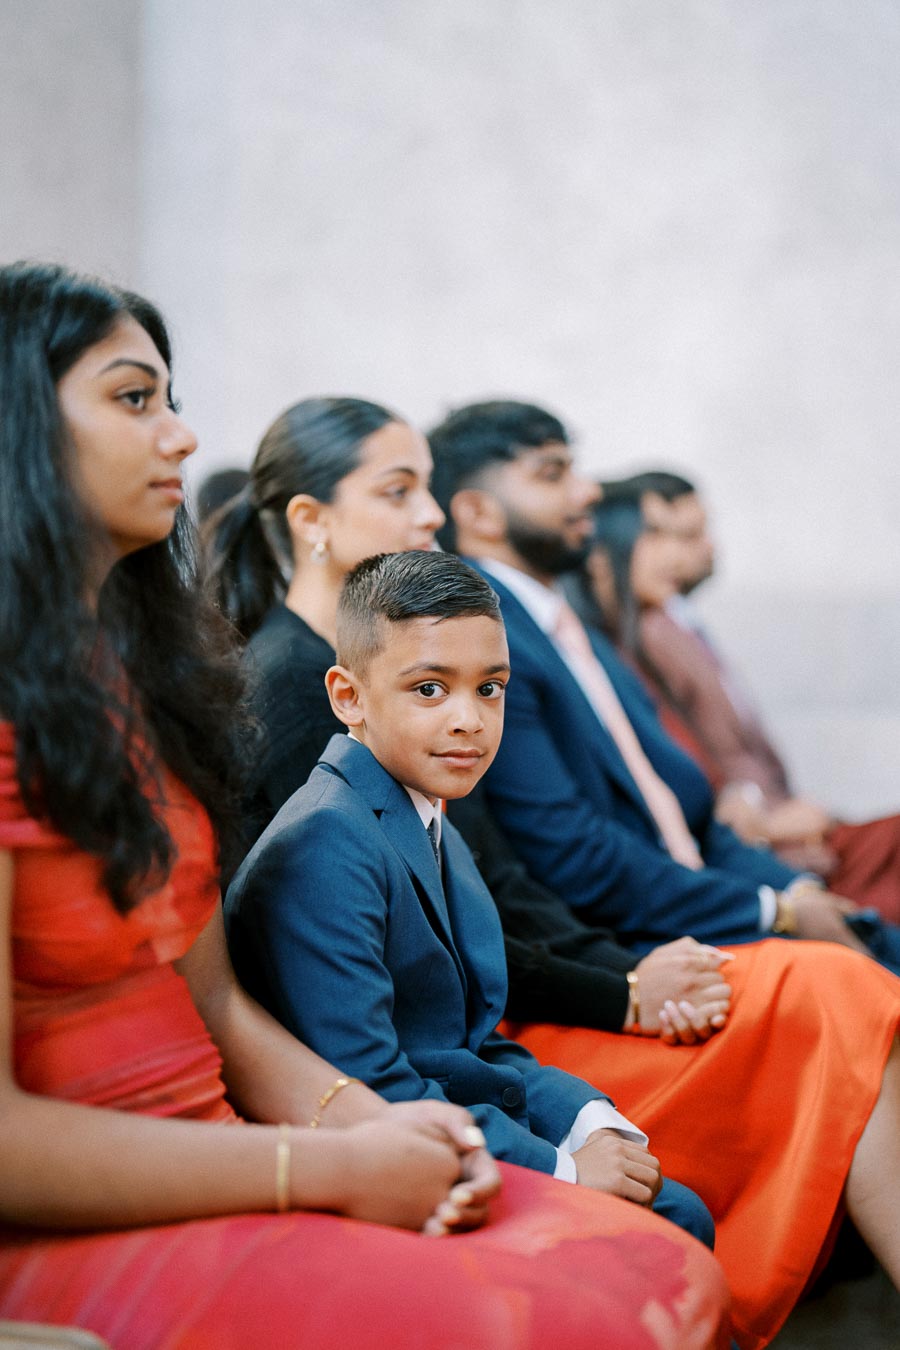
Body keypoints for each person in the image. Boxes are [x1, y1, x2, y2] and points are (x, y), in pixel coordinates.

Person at [0, 263, 731, 1350]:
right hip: (94, 1202)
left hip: (244, 1132)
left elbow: (225, 1015)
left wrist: (387, 1134)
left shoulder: (144, 692)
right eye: (132, 398)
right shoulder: (304, 734)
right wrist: (323, 1164)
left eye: (174, 398)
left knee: (652, 1252)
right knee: (569, 1309)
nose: (185, 439)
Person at [427, 397, 900, 1340]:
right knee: (850, 985)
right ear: (477, 510)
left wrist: (782, 890)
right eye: (553, 472)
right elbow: (574, 852)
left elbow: (685, 803)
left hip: (686, 895)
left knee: (863, 941)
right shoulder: (488, 634)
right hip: (619, 943)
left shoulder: (570, 623)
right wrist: (764, 908)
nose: (588, 492)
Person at [203, 394, 735, 1042]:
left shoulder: (402, 659)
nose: (432, 514)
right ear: (311, 520)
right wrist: (621, 992)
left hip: (516, 993)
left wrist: (627, 971)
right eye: (398, 492)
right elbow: (419, 937)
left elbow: (491, 882)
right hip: (451, 1038)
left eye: (427, 488)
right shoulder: (293, 684)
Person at [224, 550, 715, 1245]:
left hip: (448, 1120)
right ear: (348, 696)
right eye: (429, 689)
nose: (469, 719)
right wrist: (562, 1168)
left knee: (677, 1200)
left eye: (491, 688)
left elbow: (475, 1041)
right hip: (381, 1162)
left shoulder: (424, 813)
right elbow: (369, 1086)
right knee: (669, 1227)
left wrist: (587, 1121)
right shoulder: (324, 845)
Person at [594, 472, 900, 919]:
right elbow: (698, 775)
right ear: (605, 553)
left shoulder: (673, 625)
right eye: (663, 535)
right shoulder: (643, 638)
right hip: (756, 851)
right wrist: (768, 820)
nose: (690, 550)